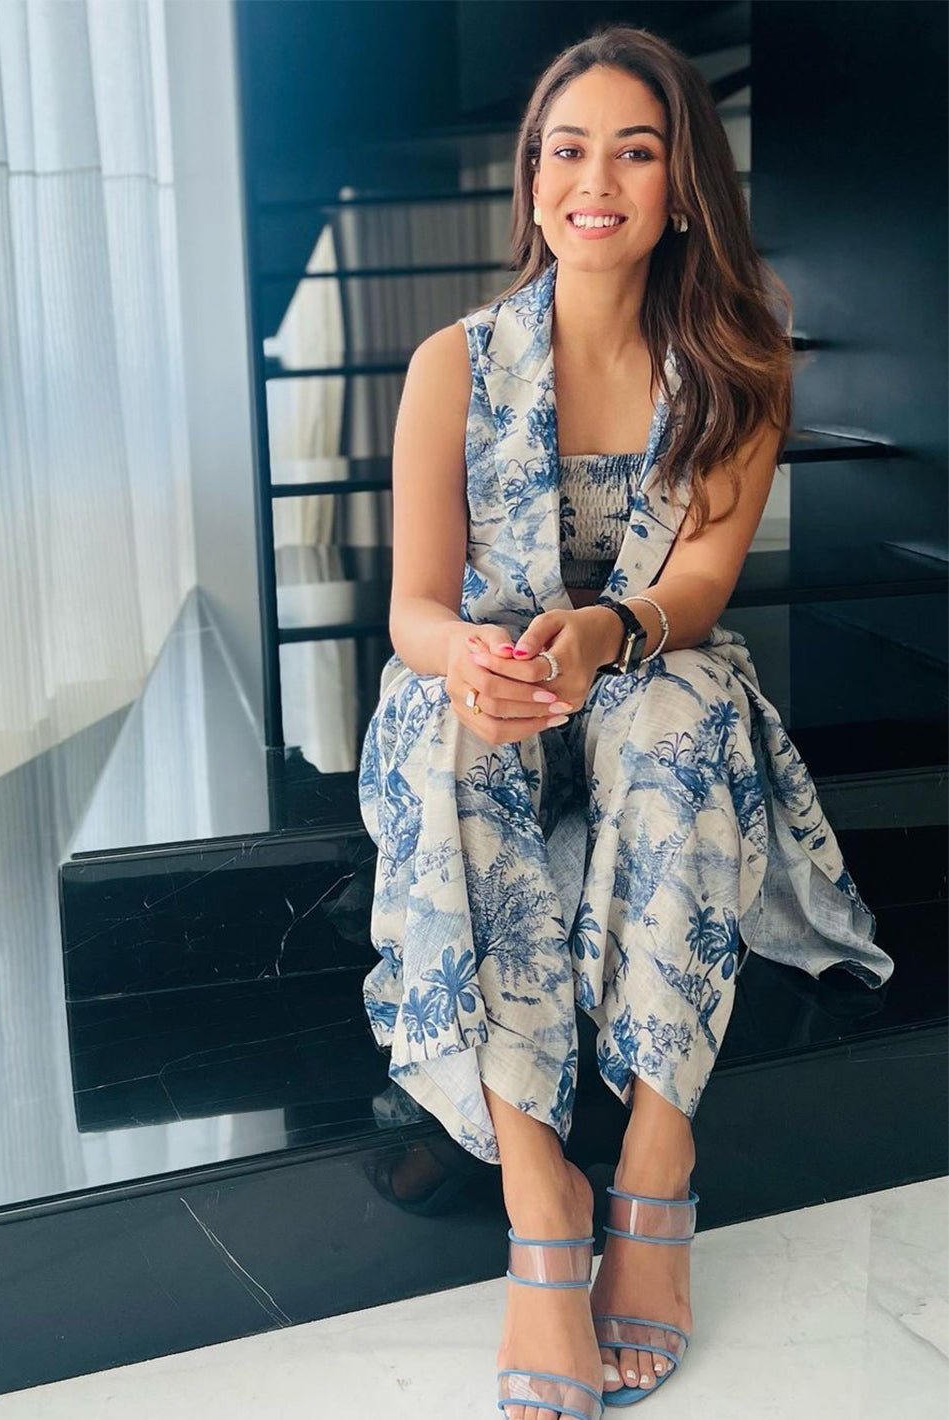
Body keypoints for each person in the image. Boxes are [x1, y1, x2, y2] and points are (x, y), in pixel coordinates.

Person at [356, 23, 894, 1418]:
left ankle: (657, 1157)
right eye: (567, 148)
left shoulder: (736, 363)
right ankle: (541, 1192)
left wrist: (607, 631)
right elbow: (413, 606)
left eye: (635, 152)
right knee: (445, 732)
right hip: (489, 667)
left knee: (683, 718)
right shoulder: (454, 363)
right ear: (532, 176)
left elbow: (700, 587)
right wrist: (471, 658)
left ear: (681, 186)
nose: (595, 181)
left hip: (644, 658)